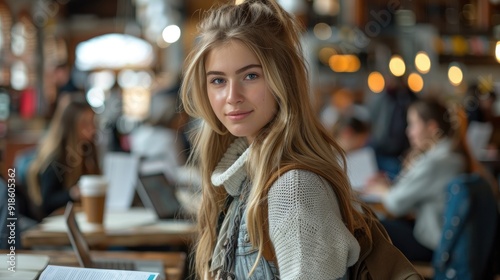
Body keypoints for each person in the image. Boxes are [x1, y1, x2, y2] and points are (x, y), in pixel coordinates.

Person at [180, 0, 372, 279]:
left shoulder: (292, 189)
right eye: (218, 80)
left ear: (282, 79)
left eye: (251, 75)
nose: (232, 96)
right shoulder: (247, 179)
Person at [363, 96, 496, 262]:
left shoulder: (437, 161)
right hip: (448, 239)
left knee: (366, 228)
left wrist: (382, 190)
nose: (408, 131)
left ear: (432, 127)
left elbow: (395, 204)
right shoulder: (452, 154)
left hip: (435, 245)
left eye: (412, 124)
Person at [27, 94, 101, 220]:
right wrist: (73, 193)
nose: (91, 129)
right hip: (53, 225)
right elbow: (47, 203)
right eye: (85, 124)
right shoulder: (56, 158)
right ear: (70, 126)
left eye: (92, 123)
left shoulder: (85, 149)